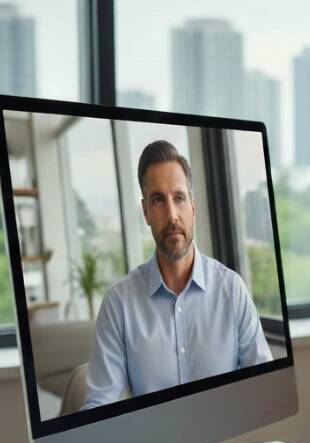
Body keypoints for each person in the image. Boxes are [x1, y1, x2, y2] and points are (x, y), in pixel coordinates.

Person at [82, 140, 272, 411]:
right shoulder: (118, 304)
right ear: (146, 211)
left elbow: (264, 389)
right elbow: (98, 407)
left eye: (179, 198)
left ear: (192, 207)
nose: (172, 215)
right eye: (158, 200)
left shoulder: (232, 290)